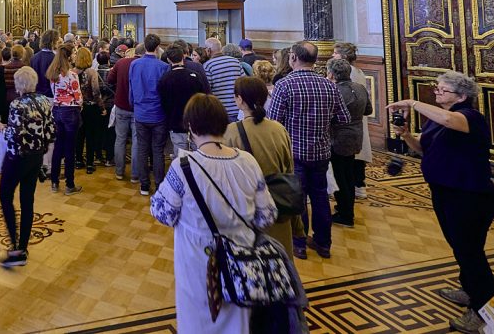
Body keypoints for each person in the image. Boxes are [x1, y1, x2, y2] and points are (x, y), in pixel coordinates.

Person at [150, 93, 278, 334]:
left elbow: (163, 213)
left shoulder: (183, 166)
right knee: (236, 320)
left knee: (197, 319)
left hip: (197, 257)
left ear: (191, 126)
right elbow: (267, 216)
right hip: (242, 257)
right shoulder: (248, 161)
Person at [387, 71, 494, 334]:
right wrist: (406, 135)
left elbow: (450, 120)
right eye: (436, 88)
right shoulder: (436, 119)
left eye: (442, 89)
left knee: (470, 252)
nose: (437, 92)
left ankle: (482, 309)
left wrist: (412, 103)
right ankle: (469, 290)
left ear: (461, 96)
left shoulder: (470, 117)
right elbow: (424, 149)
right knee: (461, 248)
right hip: (445, 193)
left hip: (470, 196)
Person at [267, 41, 351, 260]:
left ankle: (299, 243)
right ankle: (323, 243)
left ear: (293, 57)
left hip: (294, 151)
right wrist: (324, 126)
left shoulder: (285, 85)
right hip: (321, 152)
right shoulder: (329, 85)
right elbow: (344, 118)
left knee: (298, 198)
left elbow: (272, 121)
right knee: (320, 197)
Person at [223, 76, 296, 259]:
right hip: (277, 206)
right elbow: (289, 171)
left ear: (240, 99)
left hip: (245, 210)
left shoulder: (231, 132)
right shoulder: (279, 129)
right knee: (279, 262)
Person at [0, 66, 56, 268]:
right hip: (36, 158)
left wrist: (0, 128)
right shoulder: (45, 101)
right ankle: (23, 248)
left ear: (19, 85)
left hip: (17, 158)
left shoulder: (17, 104)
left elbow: (15, 135)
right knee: (27, 201)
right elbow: (51, 132)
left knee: (5, 196)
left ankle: (15, 246)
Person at [326, 58, 370, 229]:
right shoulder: (360, 88)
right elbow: (368, 110)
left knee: (340, 176)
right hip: (356, 136)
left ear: (331, 74)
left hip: (338, 137)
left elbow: (330, 115)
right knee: (349, 173)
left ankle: (345, 213)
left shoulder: (334, 91)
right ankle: (346, 208)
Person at [130, 34, 171, 196]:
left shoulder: (135, 64)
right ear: (158, 47)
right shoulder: (163, 67)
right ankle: (159, 185)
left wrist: (134, 105)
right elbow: (166, 93)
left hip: (141, 112)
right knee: (157, 151)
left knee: (142, 149)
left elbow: (132, 88)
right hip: (158, 113)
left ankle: (144, 186)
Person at [332, 42, 372, 199]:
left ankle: (354, 187)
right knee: (355, 155)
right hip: (357, 119)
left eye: (335, 53)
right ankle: (357, 184)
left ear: (343, 56)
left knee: (349, 159)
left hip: (348, 121)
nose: (333, 55)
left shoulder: (349, 74)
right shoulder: (357, 71)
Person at [158, 44, 210, 156]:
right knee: (199, 156)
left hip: (176, 123)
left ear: (168, 60)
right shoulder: (195, 76)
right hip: (195, 122)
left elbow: (164, 103)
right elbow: (205, 97)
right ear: (183, 57)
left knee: (180, 158)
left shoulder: (165, 79)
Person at [47, 44, 83, 194]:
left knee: (58, 147)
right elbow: (78, 96)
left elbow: (54, 92)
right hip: (70, 111)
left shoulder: (53, 73)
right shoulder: (72, 75)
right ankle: (69, 184)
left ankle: (54, 182)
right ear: (69, 56)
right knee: (69, 149)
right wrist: (79, 104)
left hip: (57, 110)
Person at [107, 43, 138, 182]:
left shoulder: (120, 63)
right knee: (137, 141)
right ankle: (135, 175)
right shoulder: (139, 64)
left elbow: (109, 79)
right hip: (136, 107)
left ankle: (119, 172)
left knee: (120, 139)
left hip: (121, 105)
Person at [74, 47, 104, 174]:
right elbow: (96, 92)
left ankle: (78, 160)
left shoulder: (72, 72)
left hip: (77, 107)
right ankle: (90, 163)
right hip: (91, 107)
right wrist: (101, 106)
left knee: (79, 135)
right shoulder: (92, 72)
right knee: (91, 135)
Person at [203, 37, 245, 120]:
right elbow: (245, 83)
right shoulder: (235, 61)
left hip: (220, 111)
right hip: (238, 109)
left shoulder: (208, 65)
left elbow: (207, 90)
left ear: (208, 50)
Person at [31, 29, 58, 97]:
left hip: (37, 94)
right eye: (57, 40)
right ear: (53, 42)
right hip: (51, 94)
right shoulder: (55, 58)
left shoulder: (34, 57)